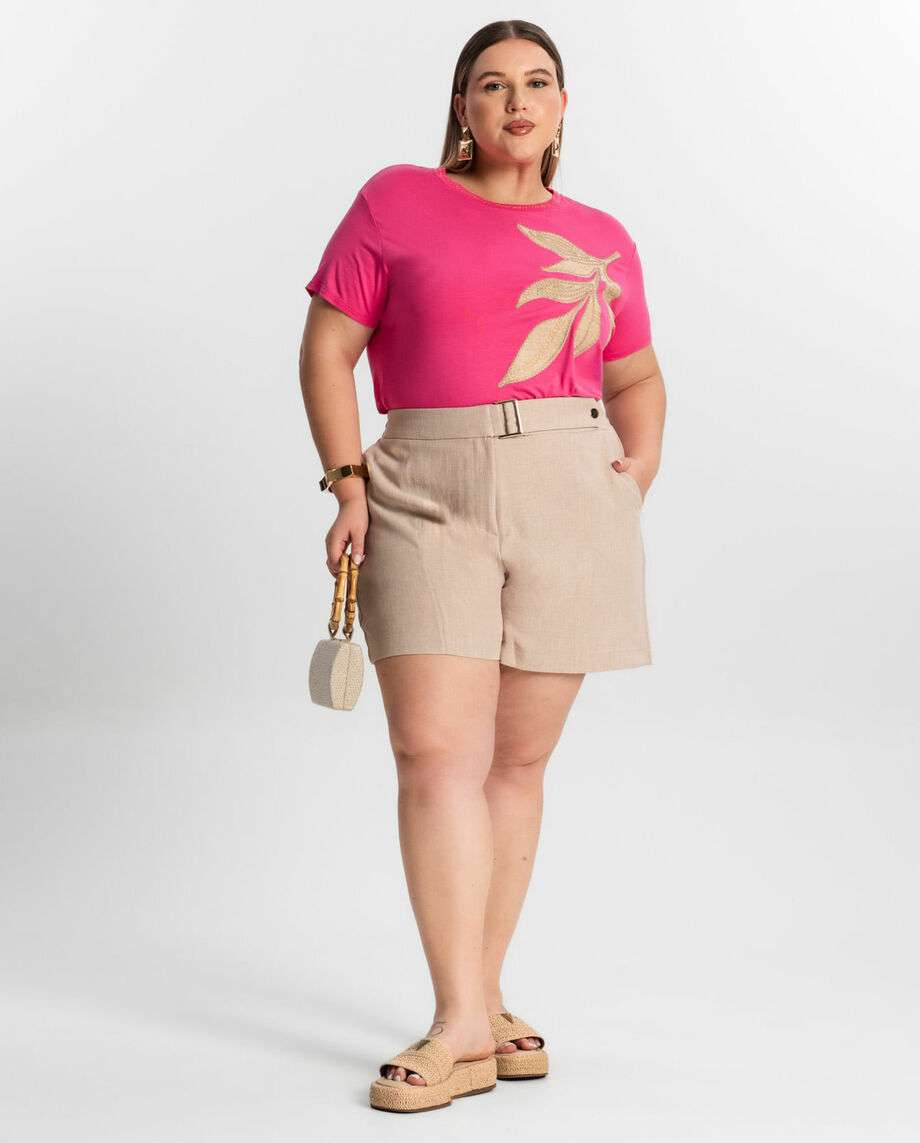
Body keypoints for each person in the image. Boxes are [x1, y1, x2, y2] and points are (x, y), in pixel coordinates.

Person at [299, 19, 667, 1114]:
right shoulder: (395, 202)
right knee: (433, 751)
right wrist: (348, 483)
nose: (516, 100)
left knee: (516, 762)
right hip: (425, 482)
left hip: (569, 489)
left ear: (562, 107)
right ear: (461, 105)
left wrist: (633, 473)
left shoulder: (600, 238)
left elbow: (636, 376)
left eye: (537, 82)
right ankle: (462, 1018)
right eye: (492, 84)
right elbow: (328, 349)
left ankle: (480, 1002)